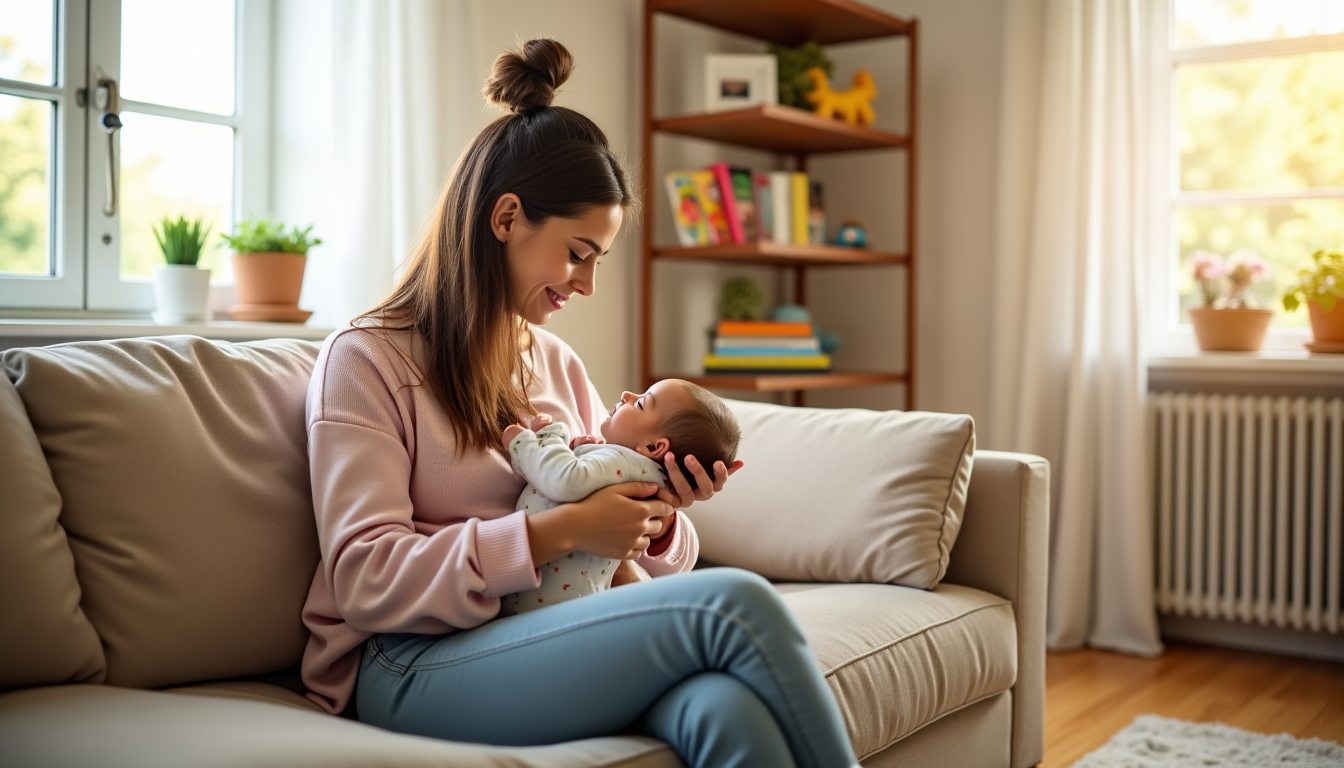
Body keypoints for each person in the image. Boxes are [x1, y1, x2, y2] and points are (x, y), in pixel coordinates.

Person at [298, 37, 860, 768]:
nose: (585, 285)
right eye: (577, 253)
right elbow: (366, 580)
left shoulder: (554, 362)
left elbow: (632, 567)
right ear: (504, 219)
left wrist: (660, 517)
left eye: (597, 260)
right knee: (738, 603)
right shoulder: (366, 359)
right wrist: (553, 532)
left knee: (723, 708)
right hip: (410, 662)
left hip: (545, 631)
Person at [500, 378, 741, 615]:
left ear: (654, 447)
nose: (627, 394)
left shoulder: (622, 461)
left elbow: (564, 482)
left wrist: (540, 440)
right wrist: (578, 450)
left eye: (640, 404)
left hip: (543, 608)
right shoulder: (640, 473)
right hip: (561, 602)